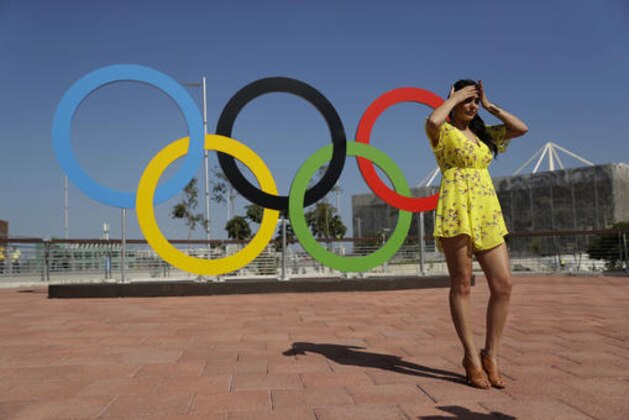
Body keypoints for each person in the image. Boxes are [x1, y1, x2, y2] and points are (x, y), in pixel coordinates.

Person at [425, 80, 528, 389]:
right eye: (467, 100)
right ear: (453, 100)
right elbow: (432, 119)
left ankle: (491, 355)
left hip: (487, 211)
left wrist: (489, 105)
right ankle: (470, 356)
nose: (471, 105)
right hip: (456, 209)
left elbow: (521, 128)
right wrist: (455, 96)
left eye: (474, 100)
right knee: (462, 285)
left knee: (503, 284)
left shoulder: (484, 135)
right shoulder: (442, 131)